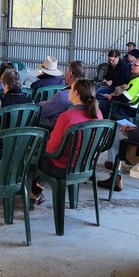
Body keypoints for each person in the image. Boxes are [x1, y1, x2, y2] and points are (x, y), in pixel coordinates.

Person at [30, 79, 102, 207]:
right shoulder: (98, 114)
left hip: (63, 167)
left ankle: (33, 193)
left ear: (75, 94)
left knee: (33, 157)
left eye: (71, 88)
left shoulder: (67, 117)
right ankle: (37, 190)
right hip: (87, 165)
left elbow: (52, 149)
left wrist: (37, 148)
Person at [38, 60, 86, 129]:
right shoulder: (88, 94)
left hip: (54, 128)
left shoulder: (62, 96)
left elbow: (41, 110)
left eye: (67, 71)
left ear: (70, 75)